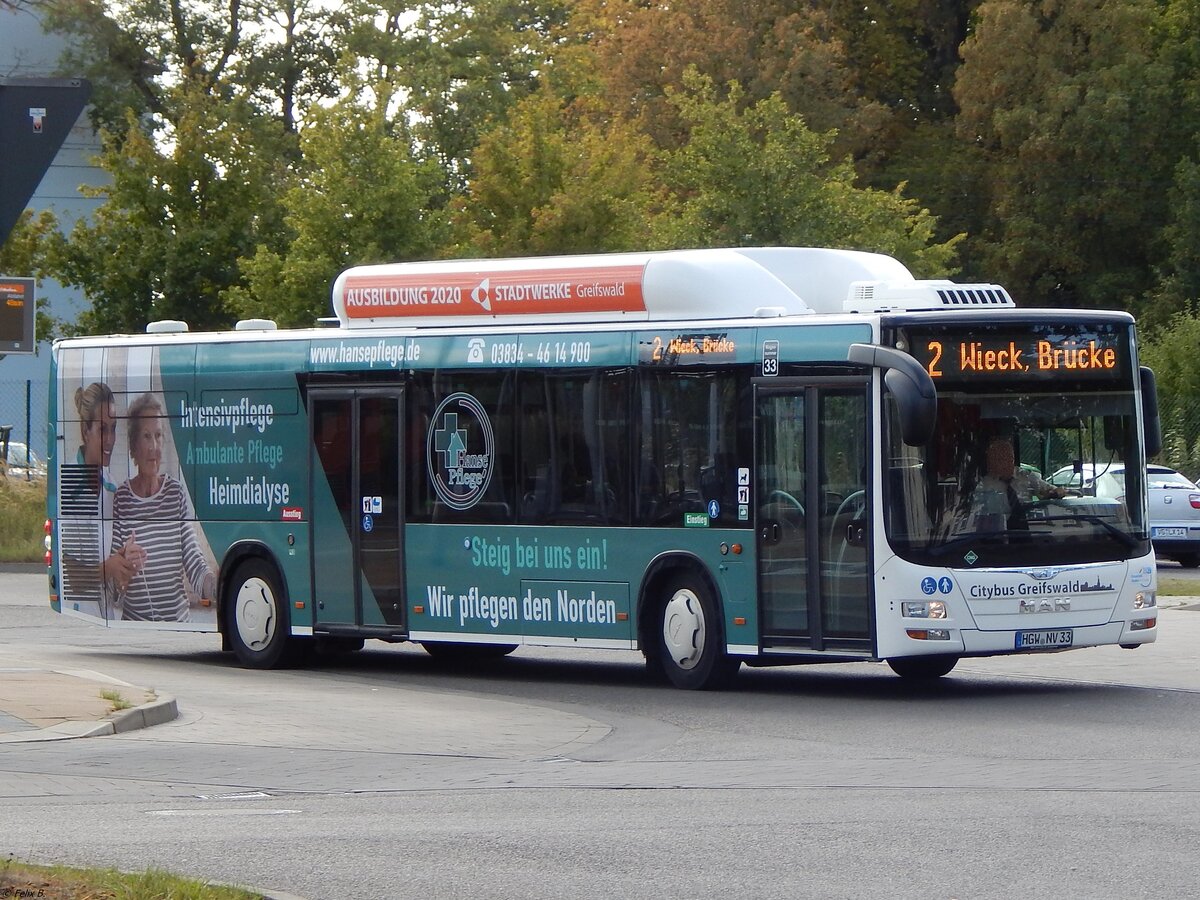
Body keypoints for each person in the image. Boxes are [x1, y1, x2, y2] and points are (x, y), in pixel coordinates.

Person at [110, 393, 215, 622]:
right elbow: (114, 587)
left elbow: (193, 560)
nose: (154, 446)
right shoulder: (122, 499)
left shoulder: (175, 493)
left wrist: (216, 586)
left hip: (179, 626)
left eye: (158, 436)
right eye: (146, 437)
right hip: (136, 627)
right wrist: (125, 563)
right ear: (133, 446)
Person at [61, 382, 143, 613]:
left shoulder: (111, 487)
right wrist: (108, 568)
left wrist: (123, 561)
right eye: (102, 429)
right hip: (79, 614)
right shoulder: (71, 483)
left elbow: (106, 561)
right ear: (85, 431)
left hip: (104, 614)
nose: (110, 439)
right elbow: (69, 575)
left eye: (114, 428)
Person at [970, 436, 1066, 530]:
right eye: (998, 459)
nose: (1005, 463)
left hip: (1028, 529)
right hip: (997, 533)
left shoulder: (1025, 476)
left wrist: (1054, 492)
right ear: (991, 462)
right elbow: (976, 514)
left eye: (1008, 458)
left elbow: (1052, 491)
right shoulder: (984, 485)